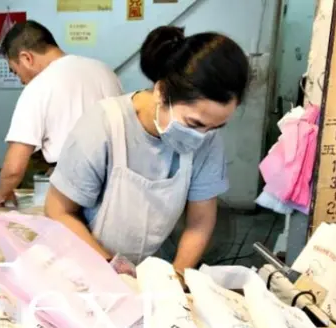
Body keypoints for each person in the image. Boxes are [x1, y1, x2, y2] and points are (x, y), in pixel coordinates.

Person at [45, 27, 250, 272]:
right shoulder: (104, 126)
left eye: (215, 127)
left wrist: (176, 276)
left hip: (153, 268)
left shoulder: (207, 137)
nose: (201, 136)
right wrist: (112, 268)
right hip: (87, 263)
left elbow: (200, 221)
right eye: (194, 123)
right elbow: (58, 210)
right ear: (162, 92)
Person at [0, 21, 123, 207]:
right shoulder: (104, 71)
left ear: (26, 58)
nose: (21, 80)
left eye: (16, 72)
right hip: (116, 187)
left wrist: (2, 194)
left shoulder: (38, 88)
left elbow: (14, 168)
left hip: (75, 193)